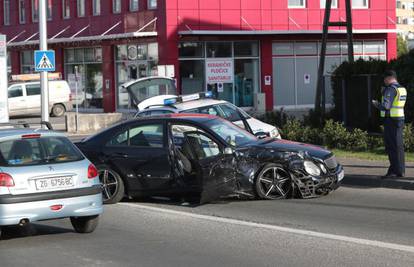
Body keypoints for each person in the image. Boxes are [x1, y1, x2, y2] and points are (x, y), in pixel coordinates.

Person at [372, 70, 407, 178]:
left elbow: (386, 106)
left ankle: (394, 171)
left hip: (391, 120)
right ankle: (400, 170)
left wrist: (377, 104)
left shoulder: (391, 89)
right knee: (398, 146)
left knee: (392, 146)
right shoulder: (401, 89)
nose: (384, 81)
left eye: (384, 79)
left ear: (389, 78)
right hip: (399, 118)